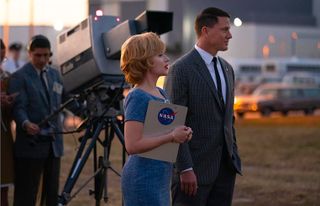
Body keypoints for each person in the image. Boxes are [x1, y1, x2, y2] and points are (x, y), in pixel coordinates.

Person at [165, 7, 242, 206]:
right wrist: (185, 168)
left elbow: (227, 119)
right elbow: (173, 123)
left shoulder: (227, 69)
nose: (230, 35)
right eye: (224, 29)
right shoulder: (180, 70)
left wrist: (233, 155)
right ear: (206, 31)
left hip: (225, 171)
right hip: (193, 173)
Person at [120, 32, 193, 206]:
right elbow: (132, 145)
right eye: (160, 55)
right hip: (142, 178)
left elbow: (160, 134)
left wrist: (182, 133)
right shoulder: (137, 96)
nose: (167, 58)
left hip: (159, 178)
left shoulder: (161, 93)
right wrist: (171, 136)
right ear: (144, 60)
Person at [8, 35, 64, 206]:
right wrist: (25, 123)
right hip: (30, 145)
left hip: (53, 146)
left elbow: (65, 98)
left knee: (51, 193)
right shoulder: (19, 77)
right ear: (30, 53)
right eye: (38, 55)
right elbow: (19, 107)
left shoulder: (55, 74)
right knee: (27, 194)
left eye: (46, 55)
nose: (42, 59)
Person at [1, 38, 16, 206]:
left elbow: (13, 113)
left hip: (3, 136)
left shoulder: (7, 78)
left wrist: (10, 103)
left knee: (3, 186)